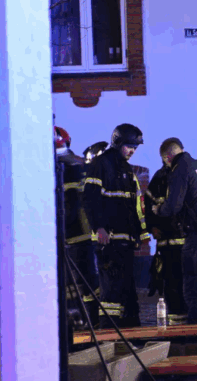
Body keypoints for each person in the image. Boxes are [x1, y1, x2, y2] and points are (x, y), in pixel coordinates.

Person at [83, 123, 150, 329]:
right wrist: (99, 228)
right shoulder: (101, 164)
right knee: (111, 292)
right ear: (118, 142)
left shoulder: (127, 170)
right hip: (109, 241)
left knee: (127, 292)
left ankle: (132, 333)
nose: (132, 151)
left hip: (125, 241)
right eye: (129, 146)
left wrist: (138, 235)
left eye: (135, 148)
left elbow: (132, 206)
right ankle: (108, 333)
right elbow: (90, 199)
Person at [153, 137, 197, 324]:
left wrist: (159, 210)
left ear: (167, 156)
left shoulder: (180, 170)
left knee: (193, 280)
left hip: (196, 232)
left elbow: (173, 206)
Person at [54, 126, 100, 329]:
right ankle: (89, 321)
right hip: (84, 235)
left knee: (75, 283)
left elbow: (69, 207)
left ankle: (81, 323)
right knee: (85, 282)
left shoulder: (64, 168)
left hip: (73, 236)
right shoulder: (77, 164)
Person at [144, 149, 188, 326]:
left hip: (185, 244)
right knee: (170, 286)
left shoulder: (185, 175)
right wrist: (151, 226)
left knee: (187, 286)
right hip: (166, 245)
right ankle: (176, 326)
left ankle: (191, 325)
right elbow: (148, 206)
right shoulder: (159, 178)